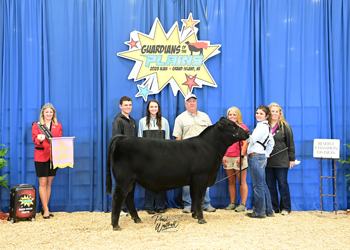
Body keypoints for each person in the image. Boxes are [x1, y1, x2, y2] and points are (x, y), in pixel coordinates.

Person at [172, 93, 216, 213]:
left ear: (196, 103)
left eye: (194, 101)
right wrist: (179, 154)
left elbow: (211, 135)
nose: (192, 103)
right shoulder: (180, 118)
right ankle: (188, 204)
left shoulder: (205, 117)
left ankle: (206, 203)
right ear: (185, 104)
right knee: (187, 179)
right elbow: (178, 137)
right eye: (189, 101)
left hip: (204, 154)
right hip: (187, 154)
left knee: (204, 178)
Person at [138, 99, 170, 214]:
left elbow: (167, 140)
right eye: (151, 107)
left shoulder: (164, 121)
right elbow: (140, 140)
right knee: (149, 181)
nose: (153, 109)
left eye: (155, 107)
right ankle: (149, 206)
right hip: (148, 158)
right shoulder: (142, 122)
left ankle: (161, 206)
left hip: (161, 157)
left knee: (161, 181)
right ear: (148, 108)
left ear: (158, 108)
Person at [31, 103, 62, 219]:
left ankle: (45, 207)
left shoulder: (58, 126)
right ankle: (46, 210)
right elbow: (35, 139)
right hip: (40, 157)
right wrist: (39, 139)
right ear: (43, 113)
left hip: (53, 158)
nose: (49, 114)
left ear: (53, 113)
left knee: (49, 183)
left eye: (51, 112)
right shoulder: (37, 125)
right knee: (42, 183)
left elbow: (59, 141)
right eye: (47, 112)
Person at [266, 102, 295, 215]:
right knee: (270, 185)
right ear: (269, 113)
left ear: (280, 114)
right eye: (272, 111)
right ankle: (274, 207)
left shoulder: (285, 127)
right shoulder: (264, 126)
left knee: (283, 184)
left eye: (276, 111)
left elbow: (291, 144)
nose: (274, 113)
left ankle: (286, 207)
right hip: (268, 161)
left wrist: (291, 159)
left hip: (282, 161)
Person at [245, 105, 275, 219]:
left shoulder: (261, 127)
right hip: (261, 157)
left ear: (267, 116)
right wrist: (266, 155)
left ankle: (259, 212)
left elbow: (251, 139)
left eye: (261, 113)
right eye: (257, 113)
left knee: (258, 186)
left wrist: (242, 135)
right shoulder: (266, 127)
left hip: (255, 157)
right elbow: (271, 143)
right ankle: (268, 210)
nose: (258, 115)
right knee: (263, 185)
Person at [112, 96, 137, 216]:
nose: (128, 107)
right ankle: (118, 208)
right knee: (120, 183)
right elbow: (117, 139)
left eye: (130, 105)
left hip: (132, 156)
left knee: (130, 182)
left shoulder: (132, 121)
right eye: (126, 105)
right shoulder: (118, 120)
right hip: (122, 157)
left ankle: (128, 207)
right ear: (120, 106)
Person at [222, 107, 249, 212]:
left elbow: (246, 143)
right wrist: (222, 156)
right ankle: (233, 203)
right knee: (231, 181)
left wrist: (241, 156)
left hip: (239, 157)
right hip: (228, 157)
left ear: (238, 116)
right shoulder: (224, 128)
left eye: (234, 114)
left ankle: (243, 204)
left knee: (242, 181)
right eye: (230, 114)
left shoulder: (242, 127)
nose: (232, 116)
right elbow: (222, 143)